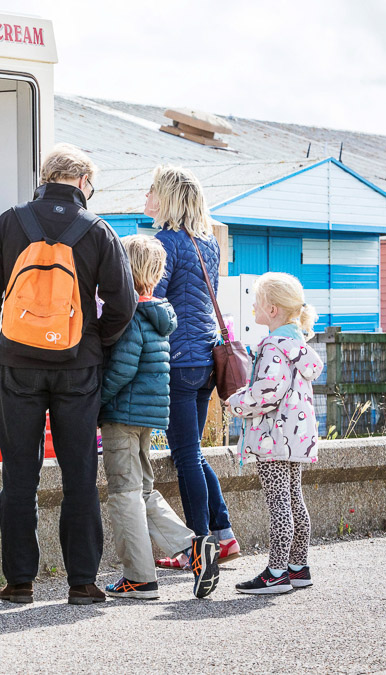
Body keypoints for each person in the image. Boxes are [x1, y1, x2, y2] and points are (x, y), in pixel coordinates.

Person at [0, 144, 136, 606]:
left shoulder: (10, 223)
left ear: (46, 177)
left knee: (19, 476)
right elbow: (122, 305)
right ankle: (82, 583)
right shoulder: (98, 231)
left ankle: (19, 583)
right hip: (78, 369)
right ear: (83, 182)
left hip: (19, 366)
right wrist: (93, 343)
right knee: (80, 475)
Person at [99, 235, 219, 600]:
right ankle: (193, 549)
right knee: (144, 490)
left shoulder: (131, 317)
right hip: (148, 416)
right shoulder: (161, 312)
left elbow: (122, 370)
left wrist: (96, 402)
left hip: (122, 414)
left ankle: (139, 577)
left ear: (125, 269)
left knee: (124, 494)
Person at [146, 165, 240, 573]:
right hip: (205, 359)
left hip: (178, 362)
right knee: (194, 453)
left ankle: (199, 549)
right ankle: (224, 534)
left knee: (185, 456)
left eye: (150, 191)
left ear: (166, 198)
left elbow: (155, 302)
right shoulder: (208, 243)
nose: (145, 198)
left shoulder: (163, 243)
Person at [227, 272, 323, 594]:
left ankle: (277, 572)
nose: (252, 305)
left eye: (257, 301)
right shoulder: (298, 346)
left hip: (272, 437)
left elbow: (269, 390)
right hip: (296, 435)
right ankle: (299, 566)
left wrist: (237, 403)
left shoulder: (272, 345)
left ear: (272, 310)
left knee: (278, 502)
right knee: (295, 498)